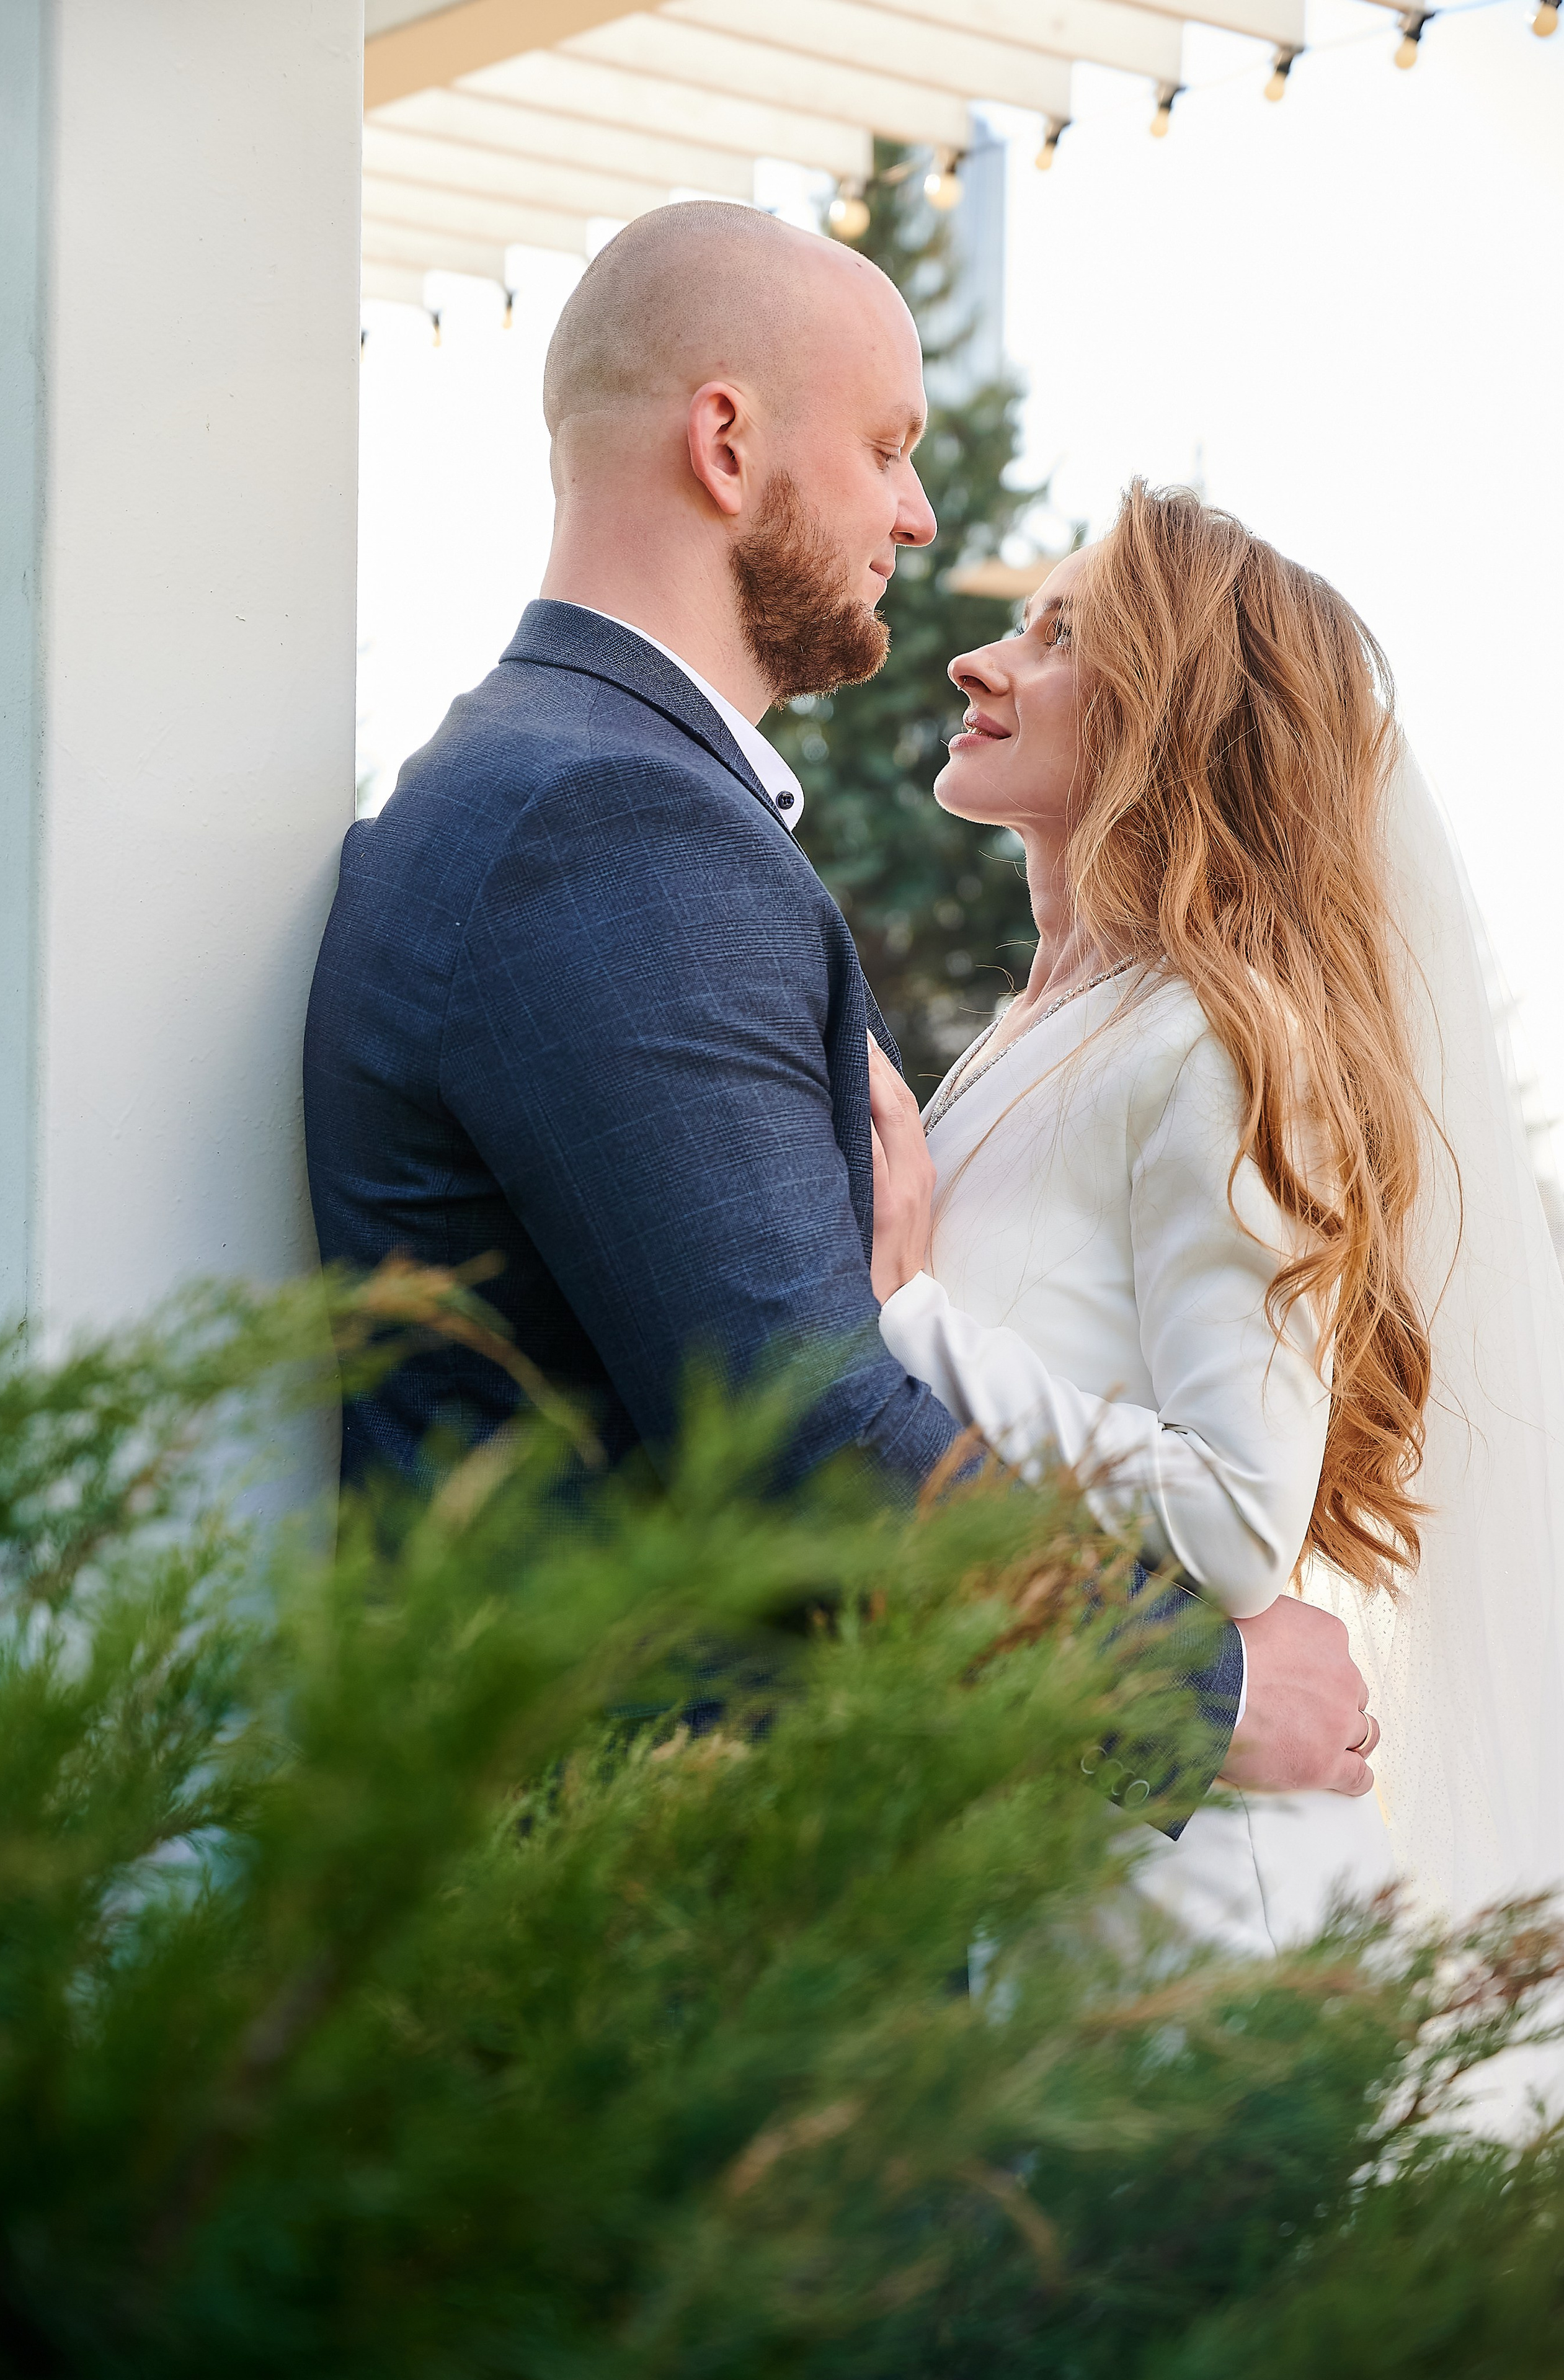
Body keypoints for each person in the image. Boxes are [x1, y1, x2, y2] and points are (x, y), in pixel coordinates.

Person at [303, 203, 1367, 1834]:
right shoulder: (611, 821)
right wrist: (1194, 1689)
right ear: (726, 445)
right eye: (885, 447)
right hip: (660, 1887)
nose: (919, 516)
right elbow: (792, 1422)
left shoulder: (547, 780)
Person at [868, 480, 1564, 1937]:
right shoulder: (1028, 1038)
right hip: (1050, 1848)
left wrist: (911, 1323)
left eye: (1058, 638)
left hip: (1190, 1902)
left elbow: (1238, 1518)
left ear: (1170, 713)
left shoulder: (1214, 1040)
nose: (978, 663)